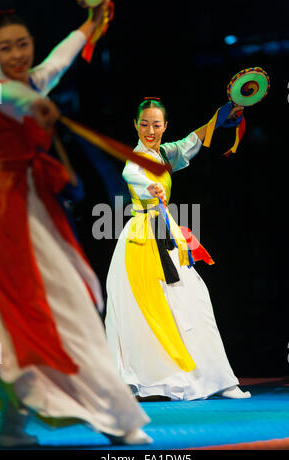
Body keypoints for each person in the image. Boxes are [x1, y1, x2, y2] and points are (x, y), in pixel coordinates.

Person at [0, 1, 151, 448]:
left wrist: (92, 22)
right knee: (38, 316)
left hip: (34, 208)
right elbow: (13, 96)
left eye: (23, 44)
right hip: (9, 215)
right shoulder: (1, 89)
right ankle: (107, 417)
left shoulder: (34, 80)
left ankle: (19, 423)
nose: (16, 55)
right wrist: (38, 107)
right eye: (5, 48)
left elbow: (60, 59)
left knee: (53, 313)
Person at [105, 98, 251, 401]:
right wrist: (152, 188)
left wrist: (221, 115)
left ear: (164, 126)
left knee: (195, 300)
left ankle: (219, 379)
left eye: (156, 124)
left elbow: (189, 143)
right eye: (144, 124)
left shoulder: (163, 152)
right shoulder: (137, 159)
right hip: (143, 239)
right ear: (135, 125)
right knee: (148, 313)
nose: (150, 130)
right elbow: (131, 175)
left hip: (165, 231)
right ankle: (162, 379)